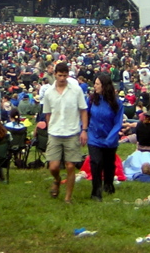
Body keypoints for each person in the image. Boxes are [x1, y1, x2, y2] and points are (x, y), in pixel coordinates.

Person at [42, 62, 88, 204]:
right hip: (55, 133)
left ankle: (68, 197)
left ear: (68, 75)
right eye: (60, 75)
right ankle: (56, 180)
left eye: (65, 75)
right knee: (53, 166)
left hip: (72, 131)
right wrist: (50, 128)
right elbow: (47, 113)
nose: (62, 78)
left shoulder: (76, 90)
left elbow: (83, 110)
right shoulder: (49, 92)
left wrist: (84, 130)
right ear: (55, 74)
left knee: (70, 166)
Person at [86, 74, 124, 201]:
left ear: (104, 86)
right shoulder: (92, 100)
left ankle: (108, 184)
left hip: (110, 138)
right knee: (95, 162)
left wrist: (110, 138)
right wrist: (83, 130)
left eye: (97, 84)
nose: (94, 86)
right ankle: (96, 192)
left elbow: (118, 122)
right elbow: (85, 116)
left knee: (109, 164)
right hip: (93, 136)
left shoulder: (116, 103)